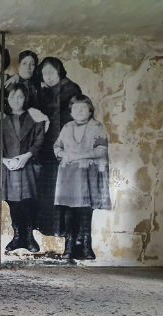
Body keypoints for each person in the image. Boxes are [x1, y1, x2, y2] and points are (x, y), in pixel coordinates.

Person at [53, 95, 111, 260]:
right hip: (68, 177)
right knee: (69, 212)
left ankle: (86, 247)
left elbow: (101, 150)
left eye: (83, 108)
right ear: (71, 111)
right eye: (75, 108)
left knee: (85, 211)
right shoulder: (67, 127)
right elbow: (57, 147)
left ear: (90, 110)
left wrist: (76, 156)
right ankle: (69, 247)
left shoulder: (96, 126)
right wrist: (63, 154)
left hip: (87, 176)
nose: (79, 111)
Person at [34, 56, 83, 237]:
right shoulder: (49, 90)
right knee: (49, 189)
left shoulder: (69, 89)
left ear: (59, 71)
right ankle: (51, 228)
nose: (48, 76)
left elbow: (69, 117)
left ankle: (63, 230)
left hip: (64, 147)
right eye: (44, 73)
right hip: (48, 147)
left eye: (51, 72)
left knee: (62, 189)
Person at [1, 82, 45, 253]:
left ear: (25, 98)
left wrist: (26, 156)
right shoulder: (1, 121)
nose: (17, 100)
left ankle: (29, 237)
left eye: (20, 96)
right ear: (8, 99)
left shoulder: (35, 119)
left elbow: (39, 141)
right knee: (13, 204)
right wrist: (4, 160)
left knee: (28, 203)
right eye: (13, 96)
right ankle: (17, 236)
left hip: (27, 167)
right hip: (9, 167)